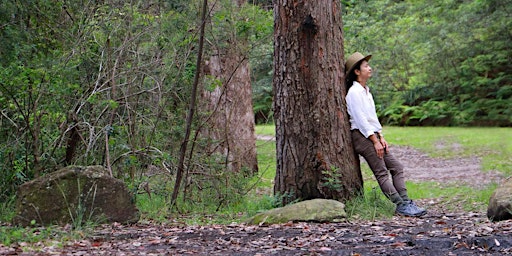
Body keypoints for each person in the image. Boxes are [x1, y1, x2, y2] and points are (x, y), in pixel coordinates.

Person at [344, 52, 426, 217]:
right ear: (357, 72)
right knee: (381, 171)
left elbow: (372, 118)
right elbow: (360, 120)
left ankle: (405, 202)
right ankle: (400, 205)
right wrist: (374, 140)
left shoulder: (366, 91)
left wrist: (381, 137)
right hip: (362, 136)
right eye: (365, 66)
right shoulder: (354, 92)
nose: (369, 68)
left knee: (396, 167)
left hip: (373, 135)